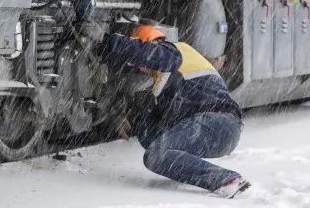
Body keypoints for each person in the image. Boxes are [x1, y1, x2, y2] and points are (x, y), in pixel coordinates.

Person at [83, 21, 250, 198]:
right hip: (219, 131)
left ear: (149, 44)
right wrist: (130, 121)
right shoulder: (169, 81)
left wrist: (105, 40)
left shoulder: (174, 51)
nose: (140, 68)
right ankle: (212, 177)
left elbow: (149, 54)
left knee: (156, 154)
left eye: (138, 61)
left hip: (220, 123)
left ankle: (226, 179)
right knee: (156, 149)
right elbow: (158, 130)